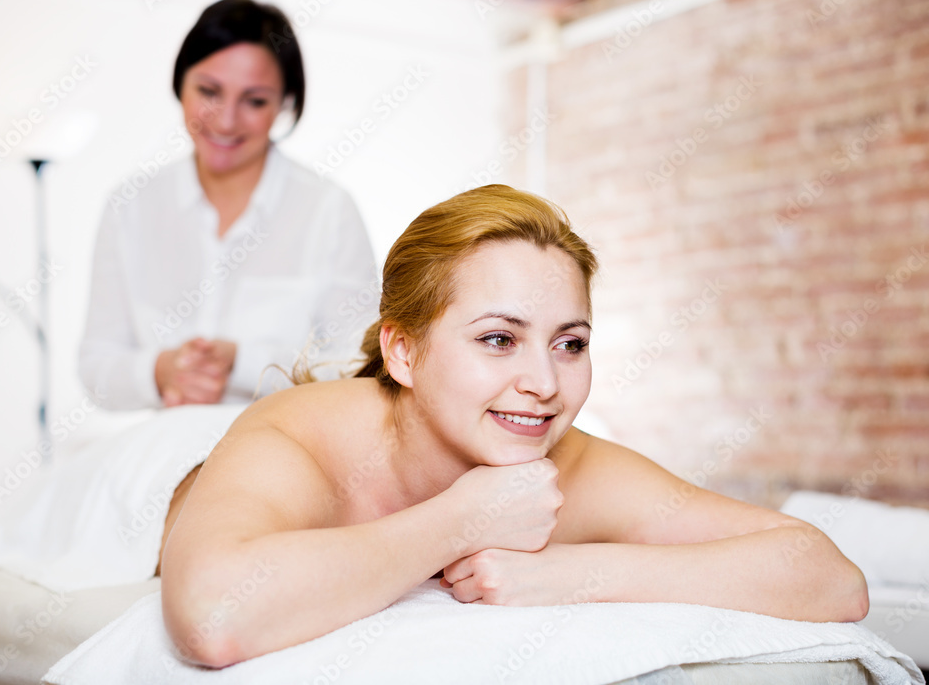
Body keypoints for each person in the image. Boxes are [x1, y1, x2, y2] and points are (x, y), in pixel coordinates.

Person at [158, 185, 869, 669]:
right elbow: (214, 617)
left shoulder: (576, 464)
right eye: (499, 339)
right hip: (155, 466)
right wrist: (457, 521)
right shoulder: (302, 437)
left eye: (570, 343)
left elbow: (830, 579)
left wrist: (574, 573)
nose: (546, 383)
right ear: (402, 351)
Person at [79, 0, 377, 410]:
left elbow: (358, 367)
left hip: (282, 444)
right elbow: (96, 367)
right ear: (180, 85)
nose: (226, 120)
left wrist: (242, 362)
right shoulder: (130, 208)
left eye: (254, 100)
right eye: (209, 91)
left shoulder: (328, 211)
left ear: (284, 103)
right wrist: (160, 370)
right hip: (165, 445)